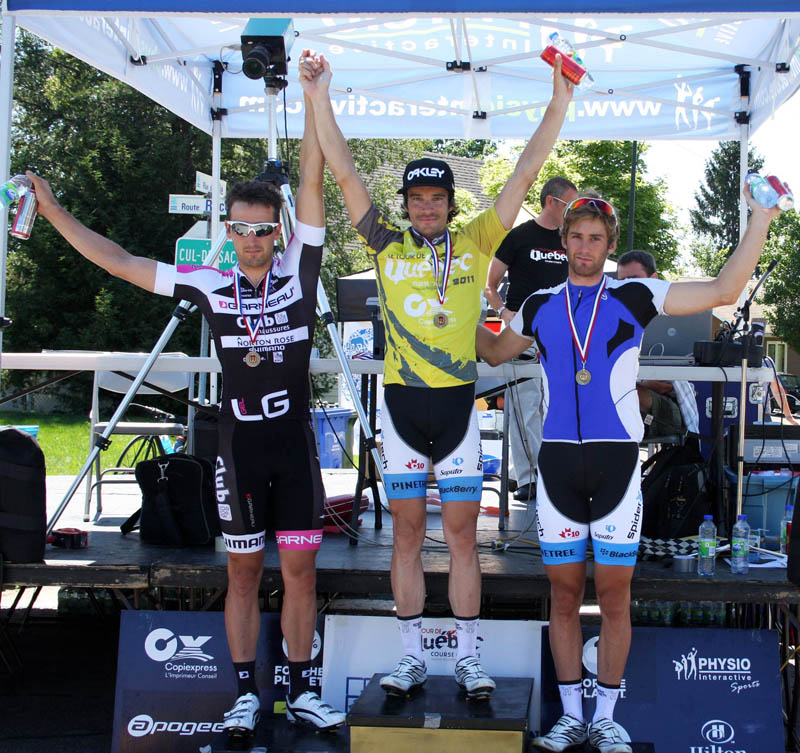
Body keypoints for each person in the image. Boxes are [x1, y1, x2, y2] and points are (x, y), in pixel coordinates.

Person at [28, 50, 345, 740]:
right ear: (227, 231)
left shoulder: (301, 265)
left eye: (265, 229)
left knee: (300, 575)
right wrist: (53, 212)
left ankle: (303, 688)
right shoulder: (209, 282)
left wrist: (318, 98)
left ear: (277, 229)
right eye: (242, 229)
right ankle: (242, 695)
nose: (255, 240)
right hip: (238, 447)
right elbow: (120, 261)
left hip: (293, 445)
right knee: (239, 577)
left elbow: (315, 177)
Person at [301, 51, 572, 698]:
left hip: (456, 409)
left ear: (451, 203)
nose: (426, 207)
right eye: (417, 199)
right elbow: (341, 172)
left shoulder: (478, 240)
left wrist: (559, 101)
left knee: (461, 540)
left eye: (436, 198)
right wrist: (319, 95)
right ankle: (411, 656)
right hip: (401, 408)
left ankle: (469, 658)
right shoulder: (385, 242)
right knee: (406, 537)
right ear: (407, 204)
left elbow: (527, 171)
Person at [477, 190, 781, 752]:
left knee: (616, 598)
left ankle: (608, 714)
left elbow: (724, 290)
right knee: (563, 598)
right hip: (559, 470)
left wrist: (761, 218)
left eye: (595, 238)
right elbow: (492, 353)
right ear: (563, 240)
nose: (584, 247)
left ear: (609, 246)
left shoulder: (637, 294)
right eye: (576, 236)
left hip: (617, 469)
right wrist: (443, 306)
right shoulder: (540, 303)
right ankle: (571, 715)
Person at [484, 176, 578, 501]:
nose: (574, 212)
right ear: (552, 202)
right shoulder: (519, 236)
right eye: (571, 205)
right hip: (521, 333)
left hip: (562, 333)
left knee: (553, 404)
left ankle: (533, 471)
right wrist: (504, 313)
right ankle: (530, 477)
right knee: (525, 404)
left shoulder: (571, 240)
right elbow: (489, 284)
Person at [616, 249, 698, 438]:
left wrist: (645, 384)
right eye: (621, 281)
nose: (627, 287)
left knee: (627, 392)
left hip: (668, 411)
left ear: (654, 279)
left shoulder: (674, 311)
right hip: (620, 405)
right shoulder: (608, 318)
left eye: (634, 280)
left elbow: (666, 386)